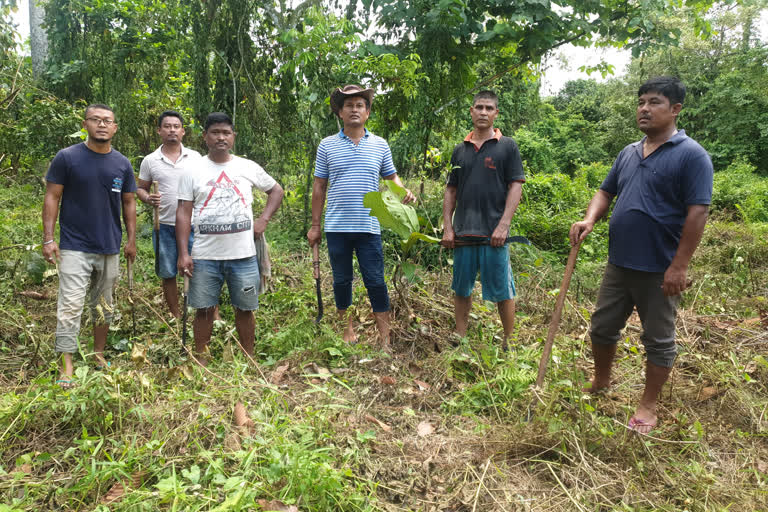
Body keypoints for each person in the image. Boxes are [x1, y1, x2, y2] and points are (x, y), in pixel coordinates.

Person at [569, 77, 713, 434]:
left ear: (676, 109)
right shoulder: (629, 152)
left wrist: (679, 266)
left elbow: (698, 212)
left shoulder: (691, 155)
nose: (644, 109)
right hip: (619, 263)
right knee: (602, 327)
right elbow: (605, 192)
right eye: (641, 102)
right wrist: (589, 218)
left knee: (658, 339)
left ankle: (648, 405)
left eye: (654, 102)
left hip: (659, 269)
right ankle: (602, 382)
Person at [306, 84, 415, 351]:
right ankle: (347, 330)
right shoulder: (327, 146)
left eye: (360, 105)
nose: (354, 110)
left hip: (369, 226)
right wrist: (315, 225)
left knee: (375, 281)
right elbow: (319, 186)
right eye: (349, 106)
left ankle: (385, 338)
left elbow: (391, 177)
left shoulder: (379, 145)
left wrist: (403, 193)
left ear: (367, 112)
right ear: (340, 113)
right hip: (337, 227)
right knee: (342, 280)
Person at [176, 112, 284, 365]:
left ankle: (249, 356)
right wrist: (184, 253)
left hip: (243, 255)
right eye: (215, 133)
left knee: (245, 309)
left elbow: (276, 190)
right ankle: (201, 357)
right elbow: (183, 212)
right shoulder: (192, 170)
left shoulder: (246, 166)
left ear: (234, 137)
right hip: (204, 255)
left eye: (226, 133)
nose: (221, 137)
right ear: (205, 137)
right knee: (203, 310)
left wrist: (263, 219)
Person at [42, 103, 137, 388]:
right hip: (74, 246)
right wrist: (49, 237)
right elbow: (52, 197)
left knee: (103, 306)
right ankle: (66, 365)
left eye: (108, 120)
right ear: (85, 124)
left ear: (115, 127)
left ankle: (98, 354)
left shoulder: (122, 163)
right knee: (70, 305)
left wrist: (131, 240)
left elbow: (129, 202)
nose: (102, 125)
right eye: (96, 120)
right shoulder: (67, 158)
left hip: (109, 246)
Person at [441, 90, 525, 350]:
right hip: (464, 232)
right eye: (479, 107)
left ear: (496, 113)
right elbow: (451, 190)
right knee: (461, 288)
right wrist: (448, 227)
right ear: (471, 111)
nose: (484, 112)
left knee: (502, 289)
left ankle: (508, 342)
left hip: (494, 235)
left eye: (489, 108)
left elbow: (516, 186)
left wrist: (504, 224)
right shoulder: (459, 150)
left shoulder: (507, 146)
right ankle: (461, 337)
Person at [137, 110, 202, 318]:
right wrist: (147, 198)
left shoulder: (195, 157)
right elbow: (140, 188)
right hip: (163, 224)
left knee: (200, 269)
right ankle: (176, 314)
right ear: (159, 131)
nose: (172, 130)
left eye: (176, 126)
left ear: (183, 131)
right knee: (167, 271)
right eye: (167, 126)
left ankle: (208, 311)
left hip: (194, 224)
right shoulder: (150, 160)